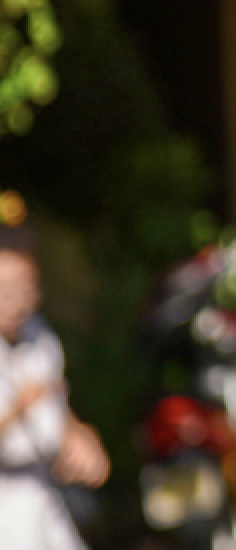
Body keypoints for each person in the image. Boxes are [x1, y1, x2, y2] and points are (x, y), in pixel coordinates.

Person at [0, 219, 110, 550]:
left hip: (45, 493)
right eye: (7, 291)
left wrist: (80, 438)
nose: (18, 302)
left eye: (26, 289)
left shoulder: (39, 335)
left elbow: (57, 407)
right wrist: (19, 408)